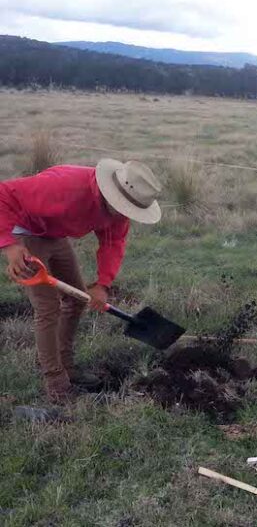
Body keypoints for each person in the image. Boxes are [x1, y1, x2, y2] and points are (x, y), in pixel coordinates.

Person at [0, 159, 163, 402]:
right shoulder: (63, 187)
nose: (124, 215)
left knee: (76, 299)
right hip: (26, 233)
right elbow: (3, 194)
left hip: (54, 234)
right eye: (123, 208)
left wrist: (102, 284)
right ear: (111, 193)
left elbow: (113, 243)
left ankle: (66, 365)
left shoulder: (119, 212)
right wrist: (10, 245)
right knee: (48, 307)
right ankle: (55, 381)